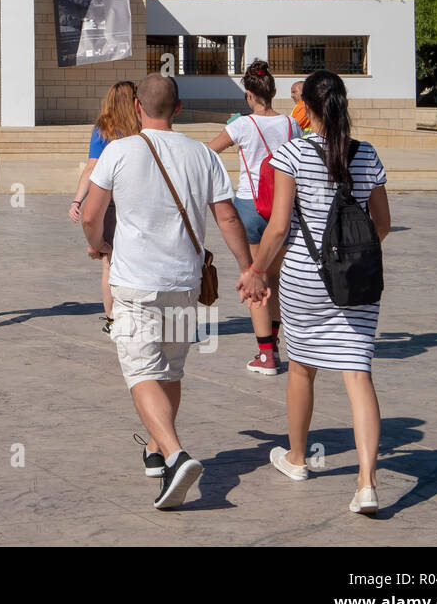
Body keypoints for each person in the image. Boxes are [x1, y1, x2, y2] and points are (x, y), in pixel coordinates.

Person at [83, 74, 260, 510]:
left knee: (141, 373)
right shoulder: (203, 155)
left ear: (138, 108)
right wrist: (248, 269)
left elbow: (92, 213)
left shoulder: (119, 151)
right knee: (170, 372)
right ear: (178, 109)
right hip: (185, 283)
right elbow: (228, 220)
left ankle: (177, 454)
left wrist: (98, 244)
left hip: (135, 284)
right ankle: (157, 450)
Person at [238, 71, 391, 516]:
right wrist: (351, 255)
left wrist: (256, 270)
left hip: (305, 278)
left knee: (303, 369)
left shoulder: (293, 154)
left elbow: (280, 227)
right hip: (358, 280)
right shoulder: (366, 155)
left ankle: (298, 458)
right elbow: (382, 224)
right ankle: (366, 484)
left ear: (309, 108)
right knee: (358, 374)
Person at [207, 60, 299, 375]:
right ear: (273, 92)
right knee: (273, 278)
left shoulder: (242, 125)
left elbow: (208, 152)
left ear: (249, 95)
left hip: (249, 205)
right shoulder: (291, 124)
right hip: (284, 207)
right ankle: (272, 345)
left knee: (253, 277)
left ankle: (266, 355)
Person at [69, 81, 139, 335]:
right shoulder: (141, 129)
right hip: (137, 203)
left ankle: (113, 319)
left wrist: (78, 200)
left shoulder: (103, 130)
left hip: (110, 204)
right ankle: (136, 316)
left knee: (109, 262)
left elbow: (91, 168)